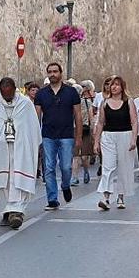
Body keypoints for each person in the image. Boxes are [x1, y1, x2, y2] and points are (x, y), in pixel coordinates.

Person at [0, 77, 41, 228]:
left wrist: (31, 146)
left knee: (19, 178)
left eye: (10, 94)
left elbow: (32, 127)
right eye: (5, 95)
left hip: (21, 148)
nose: (8, 98)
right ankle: (6, 212)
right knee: (2, 180)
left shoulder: (25, 103)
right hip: (0, 148)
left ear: (14, 90)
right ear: (0, 91)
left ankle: (17, 211)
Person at [33, 61, 83, 210]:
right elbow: (37, 118)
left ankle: (66, 185)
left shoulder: (71, 92)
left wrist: (79, 136)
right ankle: (52, 199)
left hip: (67, 135)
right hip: (48, 135)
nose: (53, 74)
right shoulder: (41, 94)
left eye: (55, 71)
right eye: (50, 72)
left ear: (60, 73)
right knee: (48, 167)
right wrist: (37, 138)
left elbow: (78, 115)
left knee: (66, 167)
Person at [93, 75, 136, 211]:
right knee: (108, 166)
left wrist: (133, 139)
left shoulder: (129, 102)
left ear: (122, 87)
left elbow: (134, 122)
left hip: (125, 135)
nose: (114, 87)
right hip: (108, 136)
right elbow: (100, 123)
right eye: (112, 85)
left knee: (124, 167)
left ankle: (121, 196)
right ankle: (106, 197)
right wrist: (96, 142)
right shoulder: (104, 103)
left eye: (117, 84)